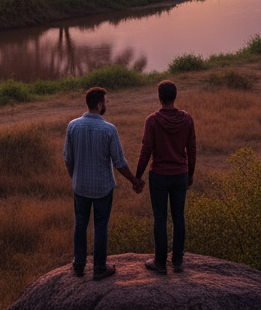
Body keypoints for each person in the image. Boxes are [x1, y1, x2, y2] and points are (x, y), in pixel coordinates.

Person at [64, 85, 143, 280]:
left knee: (80, 224)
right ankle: (99, 267)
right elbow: (119, 162)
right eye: (106, 102)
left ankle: (79, 265)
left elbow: (67, 158)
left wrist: (75, 176)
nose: (106, 105)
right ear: (100, 105)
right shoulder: (109, 129)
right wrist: (134, 181)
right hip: (102, 188)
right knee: (100, 226)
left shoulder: (73, 126)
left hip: (80, 187)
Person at [135, 79, 196, 273]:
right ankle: (177, 261)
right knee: (179, 217)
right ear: (175, 96)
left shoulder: (152, 120)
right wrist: (190, 174)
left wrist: (137, 177)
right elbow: (192, 149)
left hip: (159, 176)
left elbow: (146, 151)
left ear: (159, 97)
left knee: (160, 218)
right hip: (180, 174)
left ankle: (160, 262)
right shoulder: (187, 119)